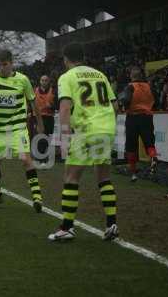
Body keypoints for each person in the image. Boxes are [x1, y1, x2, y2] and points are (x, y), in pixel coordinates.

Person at [48, 43, 119, 241]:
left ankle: (67, 227)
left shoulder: (67, 77)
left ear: (65, 59)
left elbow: (64, 108)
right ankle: (112, 223)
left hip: (85, 130)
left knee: (71, 177)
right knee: (104, 178)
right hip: (106, 129)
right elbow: (115, 106)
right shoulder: (100, 75)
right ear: (84, 57)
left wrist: (64, 136)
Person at [0, 49, 45, 213]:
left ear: (11, 63)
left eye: (4, 64)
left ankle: (37, 197)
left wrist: (39, 124)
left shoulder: (23, 80)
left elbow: (33, 103)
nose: (1, 68)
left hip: (17, 128)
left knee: (26, 160)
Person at [122, 67, 158, 182]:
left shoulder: (130, 86)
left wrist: (124, 106)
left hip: (133, 117)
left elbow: (126, 100)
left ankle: (133, 173)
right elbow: (155, 98)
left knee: (131, 146)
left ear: (131, 76)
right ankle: (153, 158)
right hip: (147, 117)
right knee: (149, 142)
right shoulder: (149, 86)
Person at [33, 75, 56, 167]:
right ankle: (41, 159)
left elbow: (58, 104)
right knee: (40, 137)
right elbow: (30, 102)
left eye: (46, 80)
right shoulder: (35, 91)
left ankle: (42, 157)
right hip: (38, 117)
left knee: (47, 137)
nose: (44, 82)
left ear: (49, 81)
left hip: (49, 117)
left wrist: (51, 106)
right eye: (42, 80)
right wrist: (30, 112)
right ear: (40, 81)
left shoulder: (53, 91)